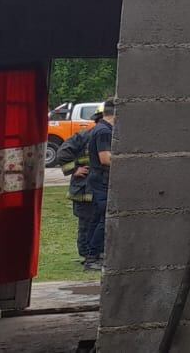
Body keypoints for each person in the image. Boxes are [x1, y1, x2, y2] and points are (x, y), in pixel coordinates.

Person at [55, 111, 104, 267]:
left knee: (96, 223)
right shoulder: (84, 137)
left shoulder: (104, 136)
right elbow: (62, 154)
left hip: (96, 188)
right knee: (86, 223)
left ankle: (94, 253)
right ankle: (86, 255)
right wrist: (73, 169)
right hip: (83, 189)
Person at [82, 100, 115, 272]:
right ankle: (92, 258)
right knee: (104, 220)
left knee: (96, 219)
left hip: (97, 180)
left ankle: (91, 254)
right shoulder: (104, 131)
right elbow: (105, 158)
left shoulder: (101, 128)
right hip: (101, 180)